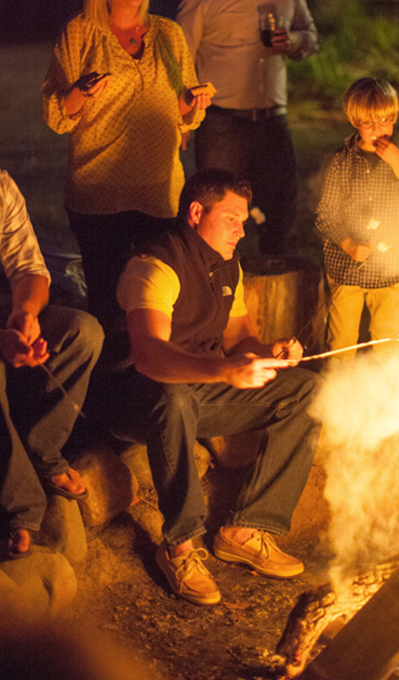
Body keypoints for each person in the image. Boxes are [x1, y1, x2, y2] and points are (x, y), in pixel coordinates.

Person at [111, 168, 321, 606]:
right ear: (195, 212)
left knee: (306, 390)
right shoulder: (154, 265)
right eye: (231, 218)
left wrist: (267, 350)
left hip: (201, 389)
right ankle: (181, 545)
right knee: (172, 396)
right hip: (136, 399)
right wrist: (224, 371)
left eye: (243, 219)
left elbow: (236, 336)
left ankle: (248, 527)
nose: (241, 229)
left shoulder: (228, 265)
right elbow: (149, 357)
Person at [0, 74, 103, 559]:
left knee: (83, 331)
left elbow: (28, 266)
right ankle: (20, 508)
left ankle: (40, 447)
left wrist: (24, 315)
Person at [42, 0, 211, 326]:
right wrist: (79, 93)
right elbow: (56, 113)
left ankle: (153, 378)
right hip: (100, 194)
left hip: (159, 192)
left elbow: (180, 111)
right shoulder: (81, 34)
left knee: (157, 299)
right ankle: (108, 381)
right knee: (107, 303)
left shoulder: (168, 34)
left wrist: (191, 104)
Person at [177, 0, 319, 255]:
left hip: (272, 119)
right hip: (222, 122)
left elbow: (310, 36)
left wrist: (295, 41)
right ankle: (216, 293)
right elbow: (180, 52)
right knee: (216, 218)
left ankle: (277, 287)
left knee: (280, 213)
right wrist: (181, 115)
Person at [316, 78, 399, 359]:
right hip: (345, 269)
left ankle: (381, 399)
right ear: (355, 121)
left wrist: (398, 165)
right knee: (341, 343)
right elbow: (325, 215)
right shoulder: (341, 162)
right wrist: (347, 244)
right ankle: (338, 398)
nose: (379, 128)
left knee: (387, 346)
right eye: (370, 123)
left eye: (386, 120)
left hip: (392, 270)